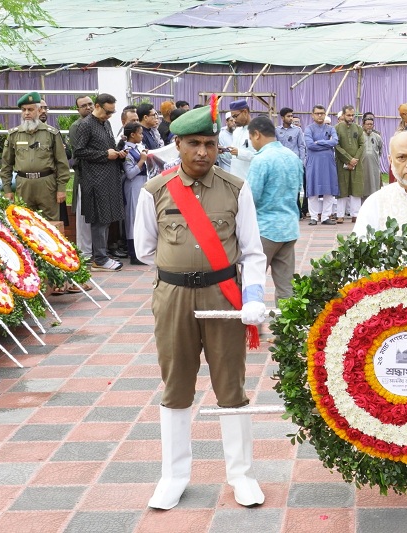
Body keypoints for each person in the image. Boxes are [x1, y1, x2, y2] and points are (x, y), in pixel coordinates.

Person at [133, 103, 268, 510]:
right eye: (194, 144)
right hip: (173, 299)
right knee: (175, 386)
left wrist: (255, 296)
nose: (203, 152)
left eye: (210, 144)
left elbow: (253, 252)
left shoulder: (234, 188)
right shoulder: (154, 190)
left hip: (222, 297)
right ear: (177, 145)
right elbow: (144, 249)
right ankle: (173, 476)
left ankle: (241, 475)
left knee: (231, 385)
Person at [246, 116, 302, 304]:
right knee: (286, 286)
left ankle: (252, 329)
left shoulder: (261, 160)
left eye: (251, 138)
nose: (252, 143)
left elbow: (250, 198)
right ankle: (285, 330)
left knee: (252, 282)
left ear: (256, 134)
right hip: (289, 228)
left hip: (265, 230)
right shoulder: (293, 157)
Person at [73, 93, 126, 271]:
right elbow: (78, 152)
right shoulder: (85, 125)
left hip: (109, 177)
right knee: (100, 219)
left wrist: (118, 152)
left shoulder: (106, 123)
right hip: (95, 179)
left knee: (107, 217)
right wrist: (105, 155)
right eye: (107, 112)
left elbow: (108, 147)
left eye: (112, 112)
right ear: (97, 106)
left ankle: (102, 255)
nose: (109, 115)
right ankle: (100, 259)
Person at [0, 91, 70, 222]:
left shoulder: (51, 134)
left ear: (39, 111)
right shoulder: (14, 135)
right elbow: (6, 165)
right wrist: (7, 189)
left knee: (51, 224)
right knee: (24, 223)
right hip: (23, 185)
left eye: (30, 109)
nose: (26, 113)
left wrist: (61, 189)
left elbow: (62, 163)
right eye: (24, 110)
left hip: (47, 184)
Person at [68, 95, 94, 259]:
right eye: (83, 105)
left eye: (90, 104)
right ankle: (85, 253)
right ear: (78, 110)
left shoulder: (101, 123)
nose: (88, 107)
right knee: (83, 216)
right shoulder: (76, 127)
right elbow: (79, 153)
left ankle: (98, 251)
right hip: (83, 174)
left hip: (98, 176)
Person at [304, 105, 338, 225]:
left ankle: (325, 217)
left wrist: (320, 142)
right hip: (314, 164)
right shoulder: (308, 129)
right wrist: (327, 144)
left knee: (329, 190)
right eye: (317, 113)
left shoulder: (331, 128)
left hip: (328, 164)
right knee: (313, 190)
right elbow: (310, 145)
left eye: (322, 113)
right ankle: (313, 217)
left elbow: (335, 141)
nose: (320, 115)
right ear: (312, 115)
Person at [122, 122, 149, 265]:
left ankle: (140, 251)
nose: (142, 136)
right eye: (140, 133)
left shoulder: (137, 149)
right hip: (133, 186)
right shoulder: (127, 151)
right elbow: (130, 173)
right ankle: (133, 253)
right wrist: (142, 162)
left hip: (141, 184)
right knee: (133, 218)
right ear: (132, 135)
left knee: (140, 217)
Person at [335, 105, 364, 223]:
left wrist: (355, 159)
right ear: (343, 115)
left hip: (356, 164)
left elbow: (362, 145)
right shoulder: (336, 128)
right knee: (342, 188)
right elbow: (336, 145)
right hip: (342, 162)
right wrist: (348, 159)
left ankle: (355, 215)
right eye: (348, 115)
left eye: (353, 115)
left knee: (356, 188)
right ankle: (340, 215)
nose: (351, 117)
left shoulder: (358, 128)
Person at [228, 99, 254, 178]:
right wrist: (224, 151)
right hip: (235, 178)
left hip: (248, 180)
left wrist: (239, 153)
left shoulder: (256, 131)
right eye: (233, 117)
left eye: (236, 116)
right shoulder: (236, 131)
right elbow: (233, 156)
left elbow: (259, 157)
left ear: (245, 112)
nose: (234, 120)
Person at [360, 117, 383, 198]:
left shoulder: (377, 137)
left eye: (371, 124)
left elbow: (380, 151)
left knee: (374, 186)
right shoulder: (360, 136)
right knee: (363, 187)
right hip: (362, 166)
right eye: (367, 124)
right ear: (363, 125)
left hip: (374, 166)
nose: (369, 126)